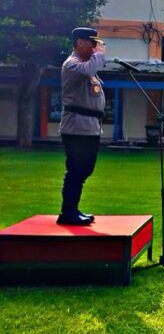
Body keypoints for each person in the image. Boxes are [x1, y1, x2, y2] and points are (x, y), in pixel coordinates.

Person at [57, 27, 107, 226]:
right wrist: (100, 55)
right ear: (79, 43)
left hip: (90, 127)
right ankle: (67, 213)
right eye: (91, 42)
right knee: (76, 169)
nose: (96, 46)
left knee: (85, 169)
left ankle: (73, 208)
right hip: (76, 126)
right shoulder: (72, 64)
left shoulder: (87, 66)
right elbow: (88, 69)